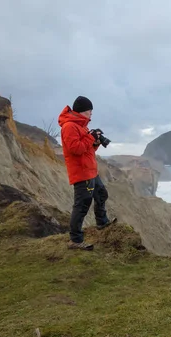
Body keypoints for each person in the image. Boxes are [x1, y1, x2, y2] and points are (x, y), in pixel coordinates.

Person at [58, 96, 116, 250]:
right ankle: (75, 240)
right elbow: (75, 149)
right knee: (81, 206)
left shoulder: (80, 126)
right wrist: (91, 137)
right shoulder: (69, 126)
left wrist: (95, 143)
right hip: (82, 173)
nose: (91, 114)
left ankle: (102, 223)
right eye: (90, 111)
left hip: (90, 171)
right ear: (83, 111)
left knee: (101, 194)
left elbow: (86, 149)